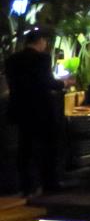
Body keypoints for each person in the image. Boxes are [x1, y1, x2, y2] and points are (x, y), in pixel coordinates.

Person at [5, 29, 63, 195]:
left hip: (20, 108)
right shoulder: (42, 58)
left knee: (25, 147)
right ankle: (49, 183)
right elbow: (46, 82)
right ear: (40, 41)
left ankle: (26, 185)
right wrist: (62, 84)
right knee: (47, 146)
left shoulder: (12, 60)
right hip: (41, 108)